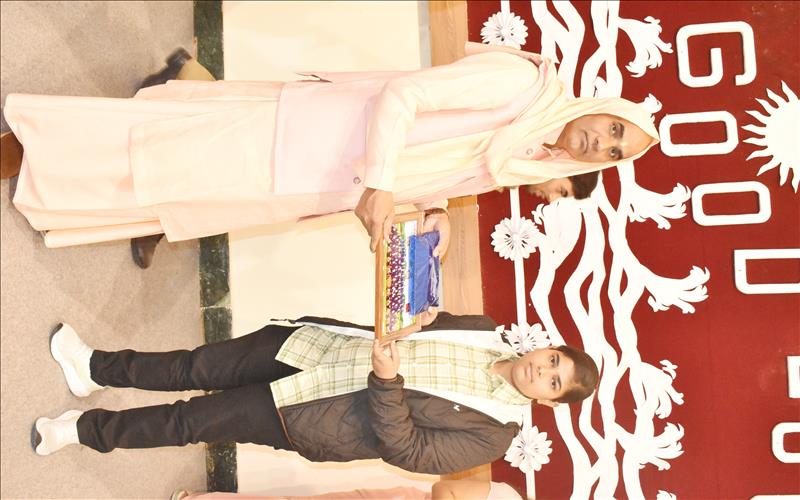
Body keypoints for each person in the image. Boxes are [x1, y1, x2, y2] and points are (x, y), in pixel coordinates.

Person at [1, 42, 658, 264]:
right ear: (603, 107)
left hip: (322, 180)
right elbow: (405, 96)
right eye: (612, 128)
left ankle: (48, 180)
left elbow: (435, 171)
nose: (601, 142)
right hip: (311, 137)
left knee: (170, 187)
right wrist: (380, 181)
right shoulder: (522, 86)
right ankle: (24, 150)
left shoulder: (529, 155)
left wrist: (432, 218)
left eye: (612, 151)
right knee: (159, 152)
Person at [32, 309, 599, 475]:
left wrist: (387, 382)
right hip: (314, 347)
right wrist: (418, 315)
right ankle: (94, 367)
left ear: (549, 401)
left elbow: (407, 450)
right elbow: (412, 321)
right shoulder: (484, 330)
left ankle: (81, 431)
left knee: (189, 422)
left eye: (553, 381)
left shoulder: (492, 437)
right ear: (547, 347)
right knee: (194, 364)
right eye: (553, 360)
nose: (541, 371)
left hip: (311, 415)